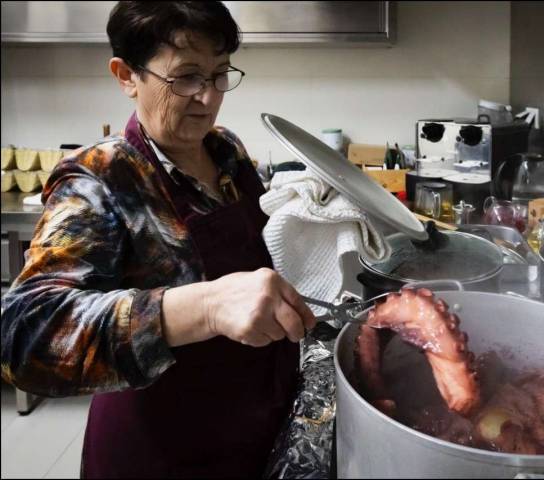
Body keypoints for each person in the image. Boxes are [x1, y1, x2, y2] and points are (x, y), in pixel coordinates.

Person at [0, 2, 316, 477]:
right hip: (161, 451)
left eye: (219, 74)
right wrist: (205, 307)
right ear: (127, 75)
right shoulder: (99, 178)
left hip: (254, 427)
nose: (208, 97)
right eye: (186, 77)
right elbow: (25, 338)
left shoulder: (226, 150)